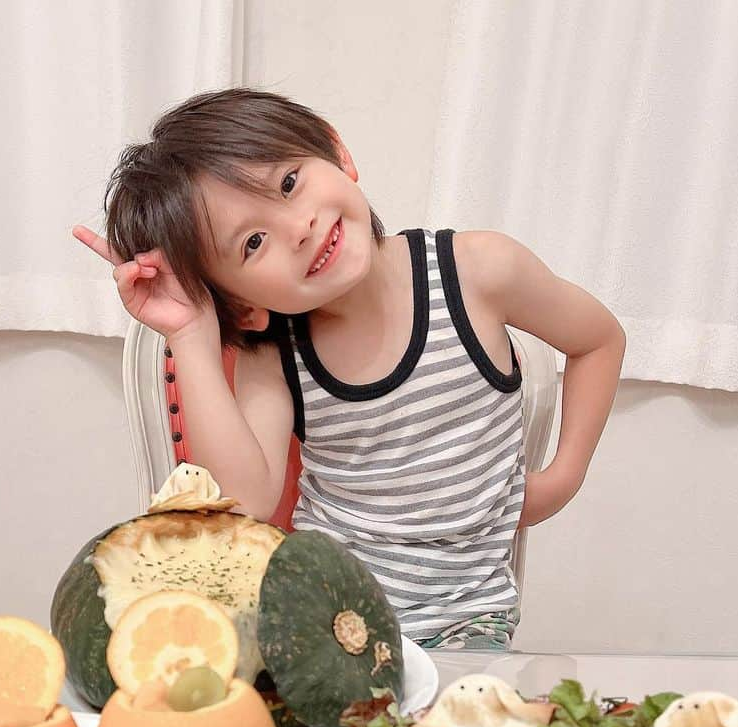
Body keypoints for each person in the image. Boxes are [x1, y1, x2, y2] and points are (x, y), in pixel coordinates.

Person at [73, 88, 625, 649]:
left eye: (289, 184)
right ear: (242, 304)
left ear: (337, 154)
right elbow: (249, 501)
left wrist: (564, 476)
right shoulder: (277, 350)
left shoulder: (479, 272)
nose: (299, 228)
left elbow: (599, 340)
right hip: (321, 613)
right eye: (254, 242)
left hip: (464, 619)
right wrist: (191, 331)